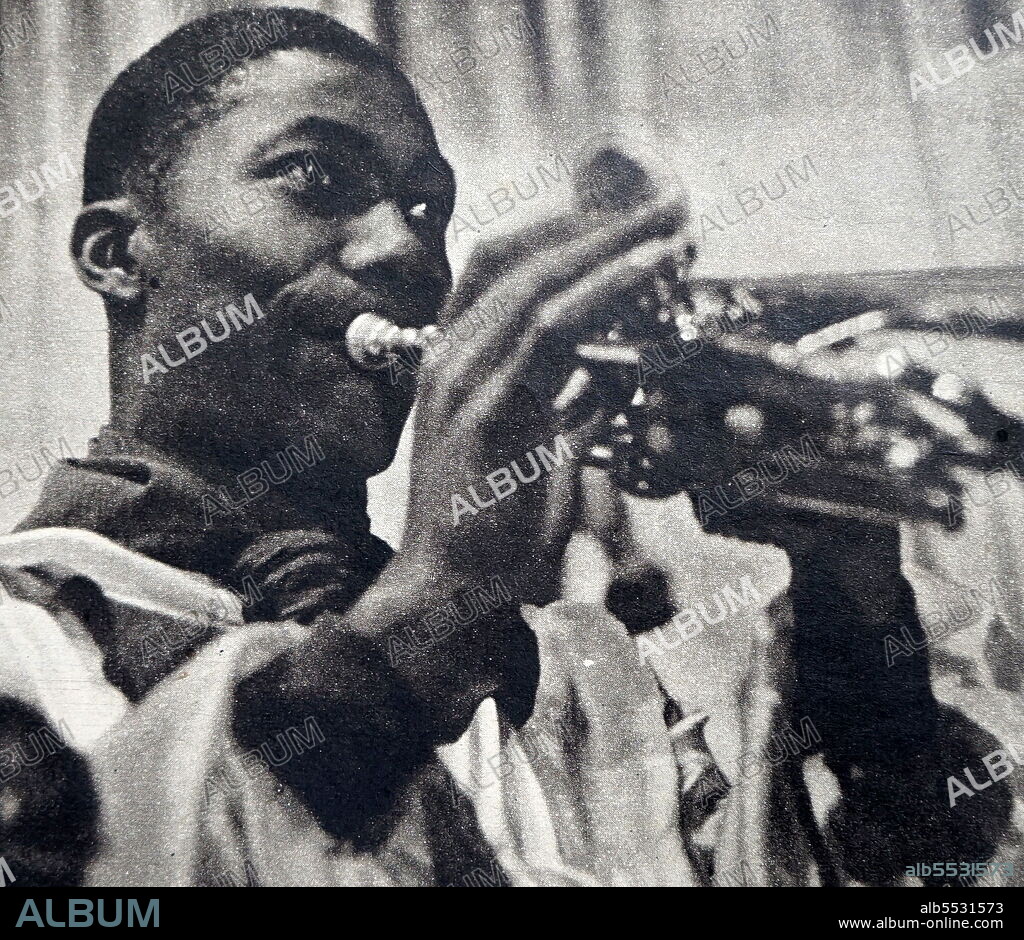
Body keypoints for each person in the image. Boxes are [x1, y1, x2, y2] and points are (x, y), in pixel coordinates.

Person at [0, 6, 1016, 887]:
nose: (406, 249)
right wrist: (417, 629)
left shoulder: (573, 683)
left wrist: (848, 586)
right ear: (118, 253)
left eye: (426, 208)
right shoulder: (21, 644)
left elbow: (915, 888)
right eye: (315, 177)